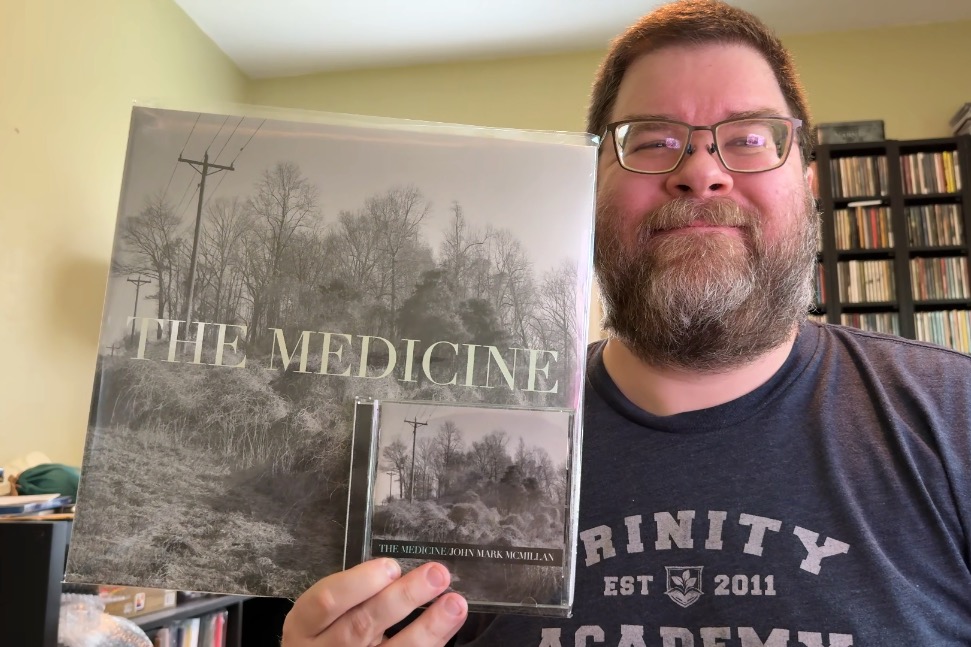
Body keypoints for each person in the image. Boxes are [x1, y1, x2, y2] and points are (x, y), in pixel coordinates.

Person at [281, 1, 971, 644]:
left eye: (751, 137)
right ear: (590, 182)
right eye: (650, 140)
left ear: (808, 183)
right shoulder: (464, 442)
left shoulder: (954, 417)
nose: (700, 172)